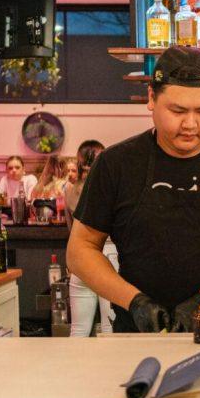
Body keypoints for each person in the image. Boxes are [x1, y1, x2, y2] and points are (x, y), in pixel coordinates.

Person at [68, 46, 200, 333]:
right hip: (137, 333)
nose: (190, 124)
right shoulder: (115, 164)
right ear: (151, 99)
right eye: (177, 111)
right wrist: (135, 302)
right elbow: (80, 250)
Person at [64, 140, 115, 338]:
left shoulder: (68, 190)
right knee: (109, 328)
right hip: (108, 258)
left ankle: (73, 369)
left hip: (80, 261)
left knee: (78, 330)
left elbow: (71, 231)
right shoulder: (106, 189)